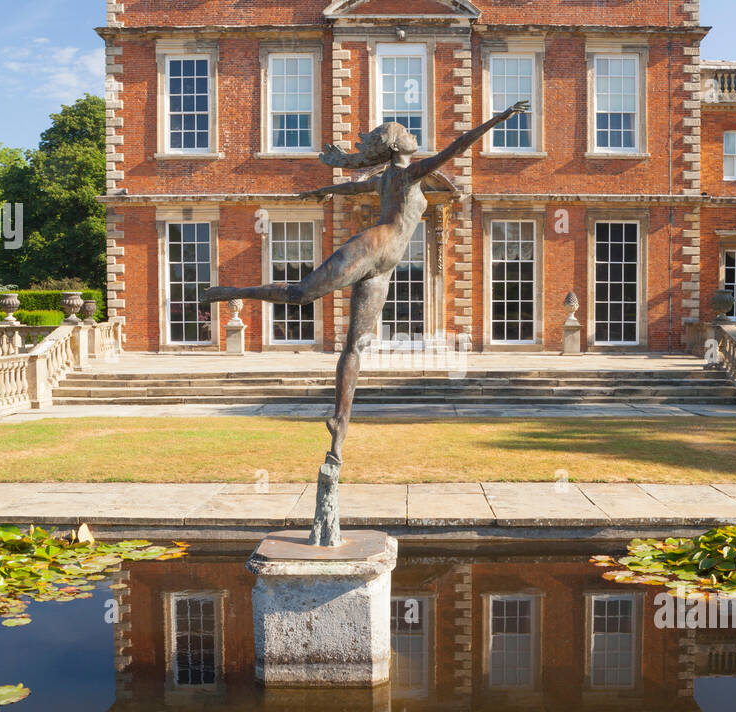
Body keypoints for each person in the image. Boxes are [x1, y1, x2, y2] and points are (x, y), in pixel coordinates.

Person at [205, 99, 529, 461]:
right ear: (395, 147)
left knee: (354, 345)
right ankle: (232, 292)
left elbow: (352, 188)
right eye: (405, 132)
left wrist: (322, 191)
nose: (411, 133)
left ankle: (339, 425)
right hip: (374, 247)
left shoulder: (392, 177)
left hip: (385, 266)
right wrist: (498, 118)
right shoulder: (407, 173)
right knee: (300, 293)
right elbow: (459, 145)